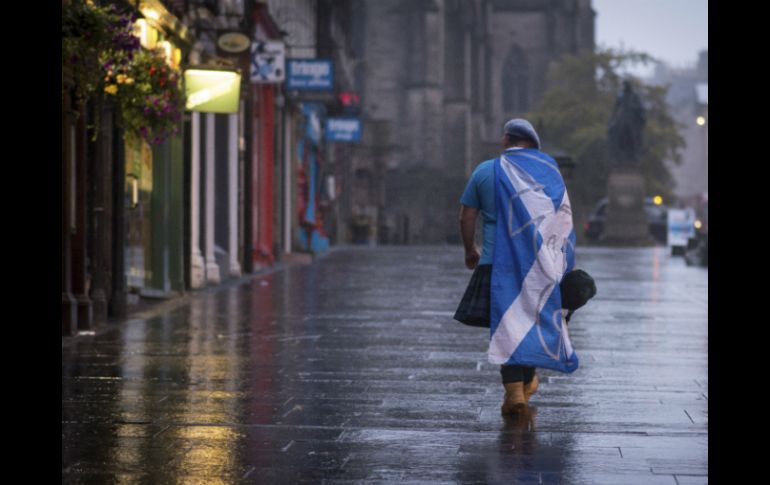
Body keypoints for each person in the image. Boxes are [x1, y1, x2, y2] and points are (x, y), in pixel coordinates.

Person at [454, 119, 577, 416]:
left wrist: (470, 249)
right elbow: (562, 221)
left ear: (506, 140)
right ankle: (524, 385)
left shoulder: (487, 170)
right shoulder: (549, 173)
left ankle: (515, 393)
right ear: (534, 146)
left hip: (495, 264)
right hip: (539, 265)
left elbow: (466, 216)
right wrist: (563, 263)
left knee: (507, 325)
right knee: (531, 321)